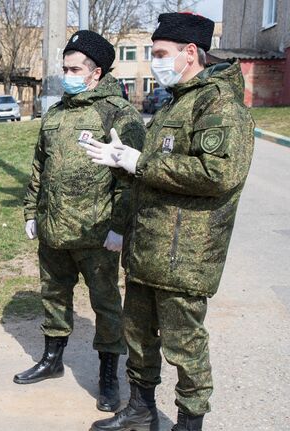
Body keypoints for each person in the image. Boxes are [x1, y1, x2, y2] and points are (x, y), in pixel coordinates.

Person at [84, 13, 254, 431]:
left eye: (160, 54)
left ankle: (189, 422)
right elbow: (156, 172)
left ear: (190, 52)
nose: (155, 61)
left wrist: (141, 162)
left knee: (185, 346)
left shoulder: (219, 103)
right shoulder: (177, 99)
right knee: (138, 337)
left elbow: (219, 174)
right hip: (148, 249)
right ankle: (142, 409)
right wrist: (123, 161)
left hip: (185, 255)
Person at [15, 30, 145, 413]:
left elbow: (131, 179)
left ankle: (108, 376)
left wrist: (119, 228)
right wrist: (30, 211)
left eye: (74, 69)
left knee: (106, 305)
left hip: (97, 235)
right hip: (53, 230)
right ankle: (52, 358)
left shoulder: (118, 114)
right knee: (53, 296)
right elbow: (40, 166)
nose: (66, 74)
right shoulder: (55, 113)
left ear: (95, 72)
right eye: (64, 67)